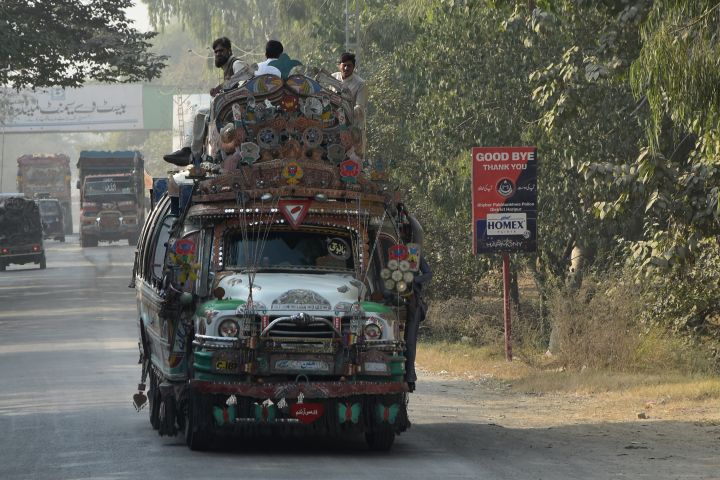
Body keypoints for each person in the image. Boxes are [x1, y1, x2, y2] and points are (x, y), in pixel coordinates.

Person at [164, 37, 244, 166]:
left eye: (221, 51)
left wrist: (220, 87)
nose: (218, 54)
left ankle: (191, 154)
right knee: (199, 113)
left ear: (229, 51)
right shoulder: (227, 67)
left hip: (234, 109)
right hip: (227, 108)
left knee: (200, 113)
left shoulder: (236, 63)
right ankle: (188, 150)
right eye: (216, 52)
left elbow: (245, 74)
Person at [404, 255, 432, 392]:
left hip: (412, 301)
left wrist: (414, 280)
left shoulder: (413, 253)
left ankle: (410, 376)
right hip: (387, 297)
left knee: (410, 341)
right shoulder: (384, 246)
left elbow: (428, 274)